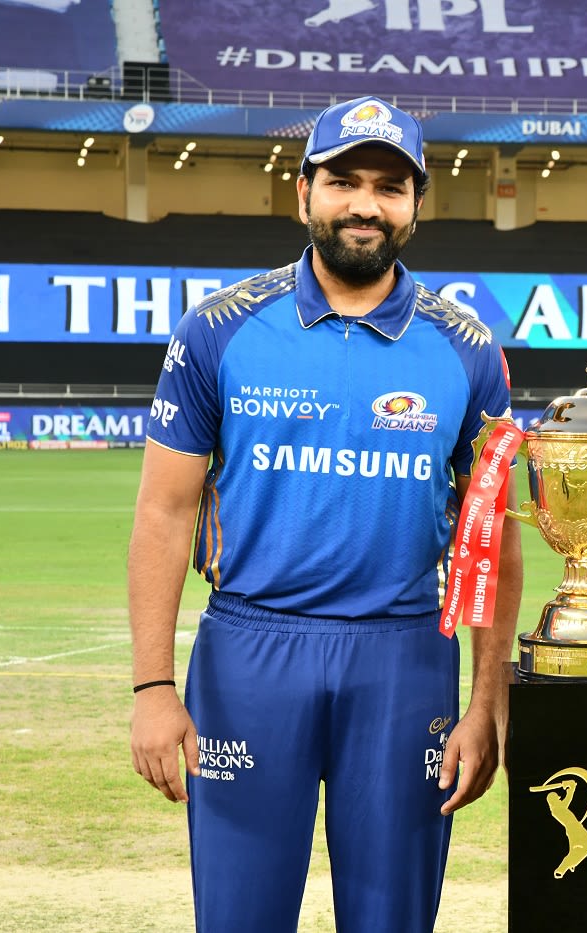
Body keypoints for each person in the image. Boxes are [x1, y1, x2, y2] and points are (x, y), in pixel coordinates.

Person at [127, 95, 522, 932]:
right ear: (303, 191)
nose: (366, 204)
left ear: (418, 203)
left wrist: (488, 700)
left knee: (391, 919)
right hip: (248, 654)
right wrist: (154, 686)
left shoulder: (468, 347)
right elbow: (164, 512)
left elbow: (493, 539)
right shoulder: (219, 330)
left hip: (406, 657)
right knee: (239, 914)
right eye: (344, 180)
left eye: (389, 185)